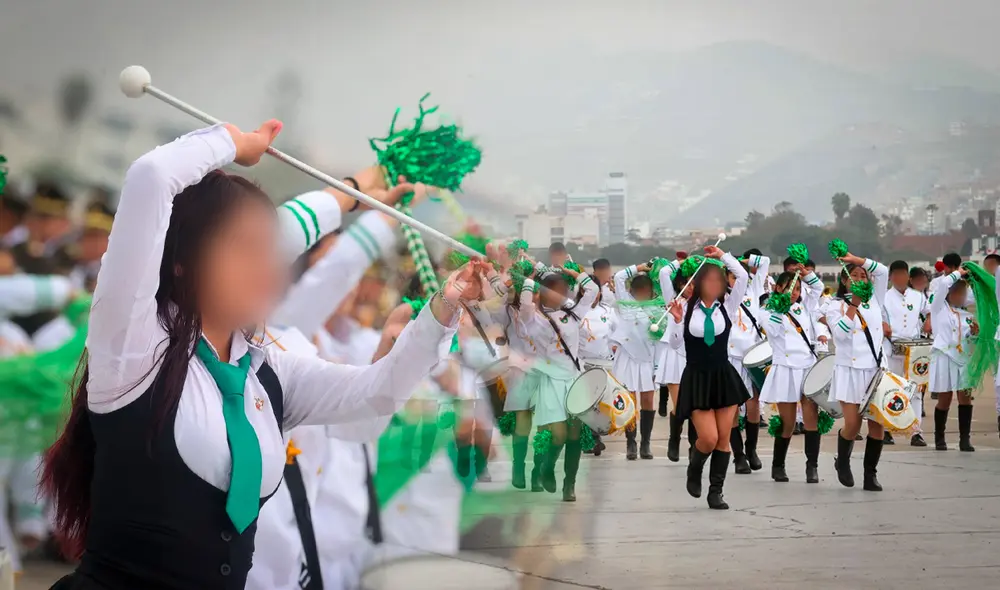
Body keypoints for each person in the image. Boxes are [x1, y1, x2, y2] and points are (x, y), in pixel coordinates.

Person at [41, 122, 482, 590]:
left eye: (271, 251)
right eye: (247, 250)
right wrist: (233, 143)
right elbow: (152, 176)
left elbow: (373, 398)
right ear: (181, 259)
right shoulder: (133, 347)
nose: (270, 267)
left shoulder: (265, 371)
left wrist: (441, 310)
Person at [665, 247, 750, 510]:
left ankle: (716, 491)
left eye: (718, 280)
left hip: (723, 375)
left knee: (724, 438)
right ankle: (694, 467)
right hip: (697, 377)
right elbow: (675, 344)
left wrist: (723, 255)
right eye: (709, 279)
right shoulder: (686, 309)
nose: (714, 284)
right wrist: (677, 322)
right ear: (698, 283)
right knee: (709, 438)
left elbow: (743, 276)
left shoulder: (728, 305)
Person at [518, 268, 598, 501]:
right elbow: (523, 308)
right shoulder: (536, 318)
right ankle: (545, 469)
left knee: (575, 434)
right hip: (550, 379)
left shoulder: (572, 313)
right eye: (557, 291)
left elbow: (592, 290)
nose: (564, 295)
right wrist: (528, 282)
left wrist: (576, 274)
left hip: (574, 378)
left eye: (565, 290)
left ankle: (569, 485)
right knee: (557, 435)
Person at [825, 254, 891, 491]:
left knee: (877, 425)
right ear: (844, 280)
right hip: (849, 370)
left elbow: (882, 269)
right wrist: (853, 304)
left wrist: (856, 259)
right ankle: (842, 461)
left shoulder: (876, 299)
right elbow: (840, 336)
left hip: (874, 370)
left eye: (863, 275)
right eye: (853, 275)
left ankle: (870, 474)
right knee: (852, 425)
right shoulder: (834, 306)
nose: (859, 278)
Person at [758, 265, 824, 484]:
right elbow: (773, 331)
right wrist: (780, 308)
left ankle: (812, 466)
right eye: (788, 288)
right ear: (777, 288)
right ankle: (778, 465)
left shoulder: (805, 307)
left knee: (811, 418)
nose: (793, 293)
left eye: (796, 288)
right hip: (785, 368)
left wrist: (807, 274)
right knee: (787, 423)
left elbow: (818, 288)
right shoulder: (767, 310)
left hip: (807, 367)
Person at [726, 251, 769, 474]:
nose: (735, 280)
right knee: (733, 406)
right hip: (730, 357)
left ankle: (751, 450)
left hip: (752, 357)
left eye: (738, 275)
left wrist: (738, 260)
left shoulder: (754, 289)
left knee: (753, 403)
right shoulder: (722, 297)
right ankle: (738, 455)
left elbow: (765, 262)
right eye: (731, 276)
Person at [928, 267, 978, 453]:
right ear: (951, 293)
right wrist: (959, 272)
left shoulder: (967, 316)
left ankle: (965, 439)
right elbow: (942, 285)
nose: (962, 296)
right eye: (959, 292)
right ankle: (939, 437)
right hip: (944, 356)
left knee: (965, 397)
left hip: (962, 358)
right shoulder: (939, 307)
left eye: (964, 293)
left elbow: (969, 340)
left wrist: (973, 334)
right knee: (945, 398)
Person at [882, 260, 931, 446]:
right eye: (896, 275)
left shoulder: (917, 296)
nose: (900, 278)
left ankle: (916, 431)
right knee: (890, 389)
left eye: (903, 274)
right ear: (890, 277)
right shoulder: (884, 297)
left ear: (908, 277)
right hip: (892, 348)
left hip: (914, 350)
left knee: (916, 390)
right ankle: (887, 429)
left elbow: (929, 310)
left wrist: (929, 319)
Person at [611, 263, 657, 460]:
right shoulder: (625, 303)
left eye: (646, 292)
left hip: (647, 358)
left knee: (647, 399)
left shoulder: (656, 307)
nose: (642, 295)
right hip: (628, 357)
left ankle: (645, 443)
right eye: (639, 291)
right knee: (630, 400)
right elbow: (619, 277)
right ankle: (631, 442)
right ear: (632, 291)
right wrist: (639, 267)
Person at [577, 277, 616, 456]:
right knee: (586, 403)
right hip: (583, 362)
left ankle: (595, 436)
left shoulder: (608, 311)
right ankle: (590, 438)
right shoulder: (576, 311)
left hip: (605, 362)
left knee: (600, 404)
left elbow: (617, 333)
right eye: (585, 290)